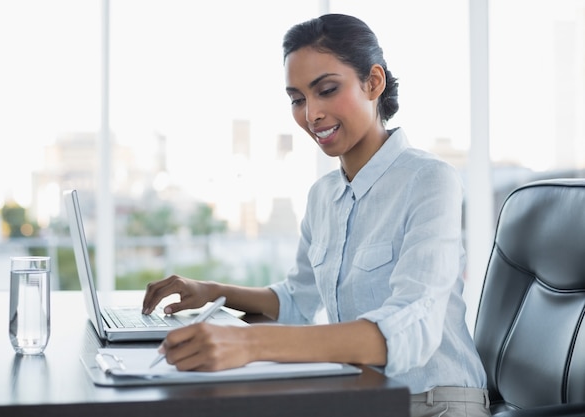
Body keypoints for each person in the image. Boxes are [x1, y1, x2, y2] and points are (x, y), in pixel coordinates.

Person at [143, 13, 490, 417]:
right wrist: (211, 292)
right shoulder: (324, 194)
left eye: (326, 90)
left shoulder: (430, 180)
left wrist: (249, 345)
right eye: (297, 99)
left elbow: (413, 328)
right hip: (361, 397)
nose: (311, 114)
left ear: (373, 82)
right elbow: (297, 300)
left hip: (435, 403)